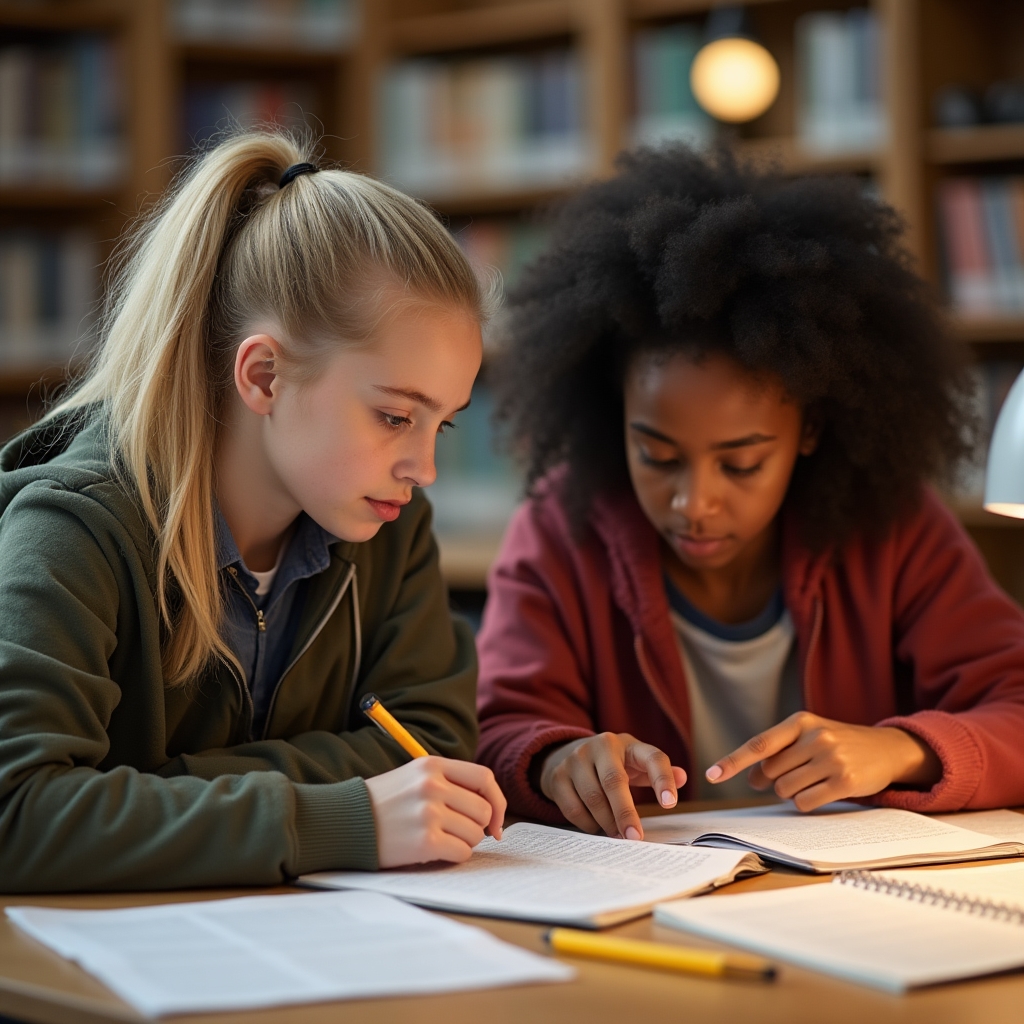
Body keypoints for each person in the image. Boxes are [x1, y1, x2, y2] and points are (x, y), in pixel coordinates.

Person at [0, 131, 505, 893]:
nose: (424, 469)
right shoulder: (73, 531)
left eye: (445, 423)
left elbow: (429, 746)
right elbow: (17, 814)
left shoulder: (391, 527)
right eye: (397, 417)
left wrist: (146, 791)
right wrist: (332, 816)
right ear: (264, 375)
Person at [476, 145, 1024, 842]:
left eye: (740, 464)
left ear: (810, 430)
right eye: (657, 455)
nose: (693, 503)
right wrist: (555, 758)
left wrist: (902, 750)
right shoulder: (561, 525)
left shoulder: (893, 526)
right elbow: (497, 725)